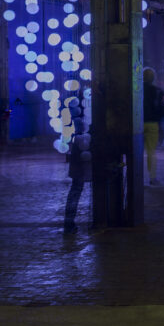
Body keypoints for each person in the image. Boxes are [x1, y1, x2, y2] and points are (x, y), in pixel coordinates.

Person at [62, 100, 90, 234]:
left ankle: (69, 223)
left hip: (78, 165)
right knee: (76, 190)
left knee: (75, 190)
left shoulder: (77, 132)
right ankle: (69, 223)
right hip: (80, 166)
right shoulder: (80, 134)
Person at [142, 67, 164, 185]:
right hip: (152, 123)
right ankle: (152, 177)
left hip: (138, 123)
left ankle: (138, 177)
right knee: (151, 151)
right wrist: (158, 118)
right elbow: (163, 107)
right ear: (153, 78)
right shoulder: (158, 91)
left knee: (137, 151)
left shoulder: (137, 90)